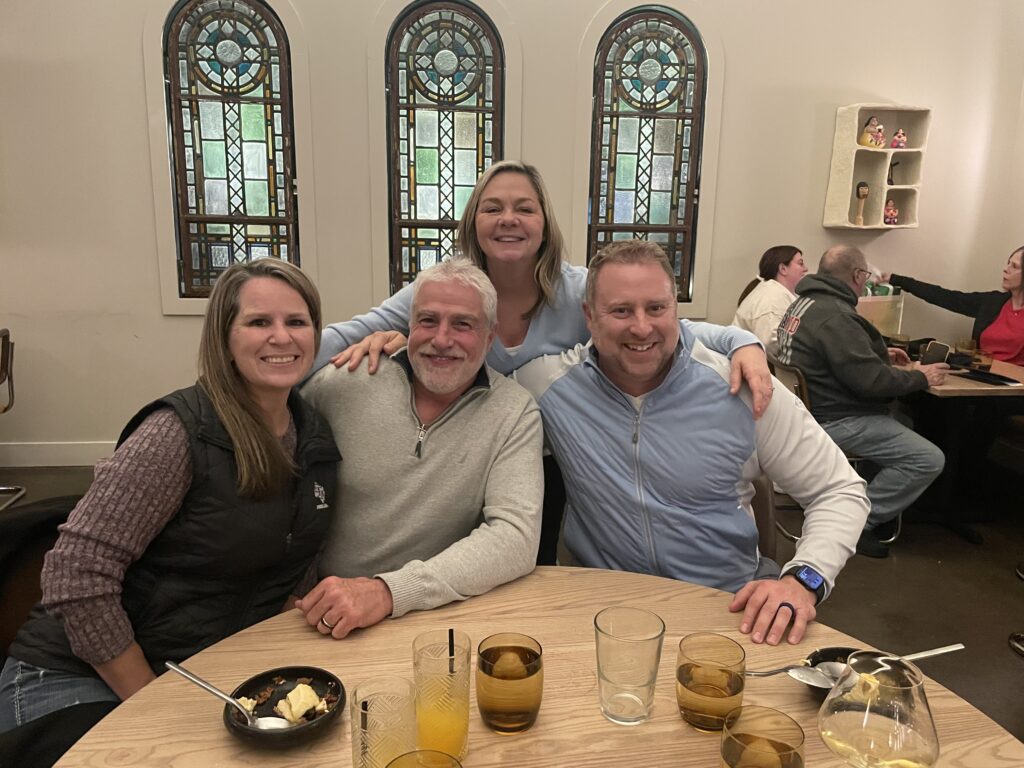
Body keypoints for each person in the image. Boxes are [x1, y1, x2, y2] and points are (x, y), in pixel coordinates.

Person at [313, 160, 773, 565]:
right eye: (493, 208)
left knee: (524, 571)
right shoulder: (448, 291)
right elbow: (342, 335)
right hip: (462, 458)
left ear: (544, 223)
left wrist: (741, 340)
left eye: (524, 208)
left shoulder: (578, 290)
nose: (508, 219)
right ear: (473, 222)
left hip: (556, 463)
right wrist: (266, 361)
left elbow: (659, 326)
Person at [0, 259, 340, 731]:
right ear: (224, 338)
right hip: (77, 677)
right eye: (259, 321)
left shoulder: (315, 438)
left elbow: (298, 558)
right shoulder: (177, 432)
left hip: (199, 676)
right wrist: (151, 704)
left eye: (296, 322)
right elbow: (74, 574)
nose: (281, 337)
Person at [514, 240, 870, 646]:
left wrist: (803, 579)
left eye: (656, 308)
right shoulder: (548, 386)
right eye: (620, 310)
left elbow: (839, 488)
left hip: (728, 610)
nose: (642, 327)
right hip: (602, 612)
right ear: (589, 317)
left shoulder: (742, 387)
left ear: (676, 311)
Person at [295, 260, 543, 639]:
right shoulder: (345, 382)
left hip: (436, 617)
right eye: (428, 321)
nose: (441, 339)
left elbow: (514, 539)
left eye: (463, 324)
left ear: (490, 337)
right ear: (407, 327)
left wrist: (388, 592)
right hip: (321, 610)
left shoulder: (514, 412)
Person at [776, 245, 948, 558]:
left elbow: (841, 358)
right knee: (927, 458)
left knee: (906, 421)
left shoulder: (804, 303)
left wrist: (879, 353)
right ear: (857, 276)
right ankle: (854, 521)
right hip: (836, 419)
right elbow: (873, 383)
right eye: (865, 276)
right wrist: (923, 376)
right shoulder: (837, 316)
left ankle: (855, 500)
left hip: (808, 412)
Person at [881, 247, 1024, 364]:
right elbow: (946, 297)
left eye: (1015, 266)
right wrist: (897, 280)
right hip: (983, 377)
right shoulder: (993, 302)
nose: (1006, 269)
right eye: (1008, 263)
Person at [733, 245, 808, 354]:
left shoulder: (774, 292)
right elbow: (770, 344)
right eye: (800, 263)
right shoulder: (771, 299)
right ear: (783, 269)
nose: (806, 268)